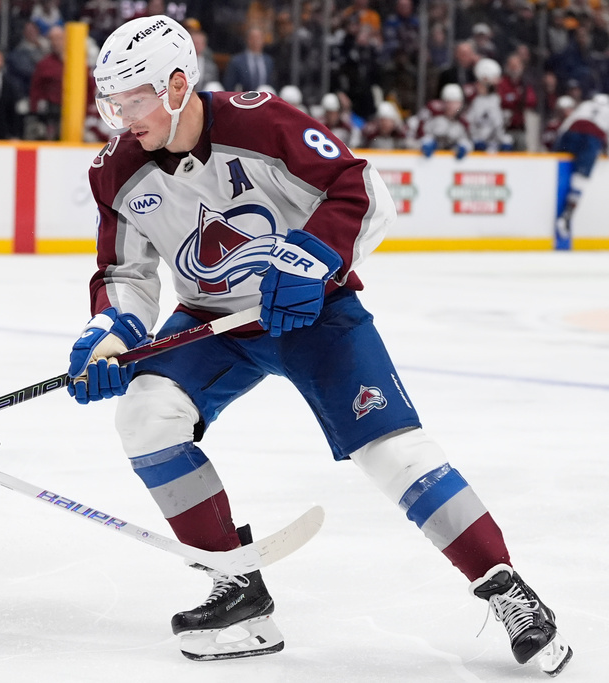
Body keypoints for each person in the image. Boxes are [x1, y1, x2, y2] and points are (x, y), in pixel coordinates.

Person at [69, 15, 572, 674]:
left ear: (177, 85)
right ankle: (238, 592)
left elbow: (360, 190)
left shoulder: (261, 123)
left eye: (133, 99)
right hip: (211, 321)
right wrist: (109, 335)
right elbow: (125, 275)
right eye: (112, 102)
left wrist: (311, 261)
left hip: (314, 309)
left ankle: (505, 587)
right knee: (144, 414)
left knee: (393, 453)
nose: (120, 117)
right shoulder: (116, 172)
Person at [552, 93, 609, 244]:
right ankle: (567, 214)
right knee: (580, 178)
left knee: (560, 162)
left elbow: (567, 123)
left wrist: (557, 145)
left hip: (571, 134)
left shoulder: (585, 105)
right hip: (592, 139)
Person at [410, 83, 472, 159]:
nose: (451, 106)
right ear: (443, 102)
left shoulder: (464, 121)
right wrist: (425, 143)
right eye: (448, 102)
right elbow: (417, 136)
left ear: (461, 104)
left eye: (455, 103)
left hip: (450, 160)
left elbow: (469, 141)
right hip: (429, 159)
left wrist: (464, 146)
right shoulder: (433, 115)